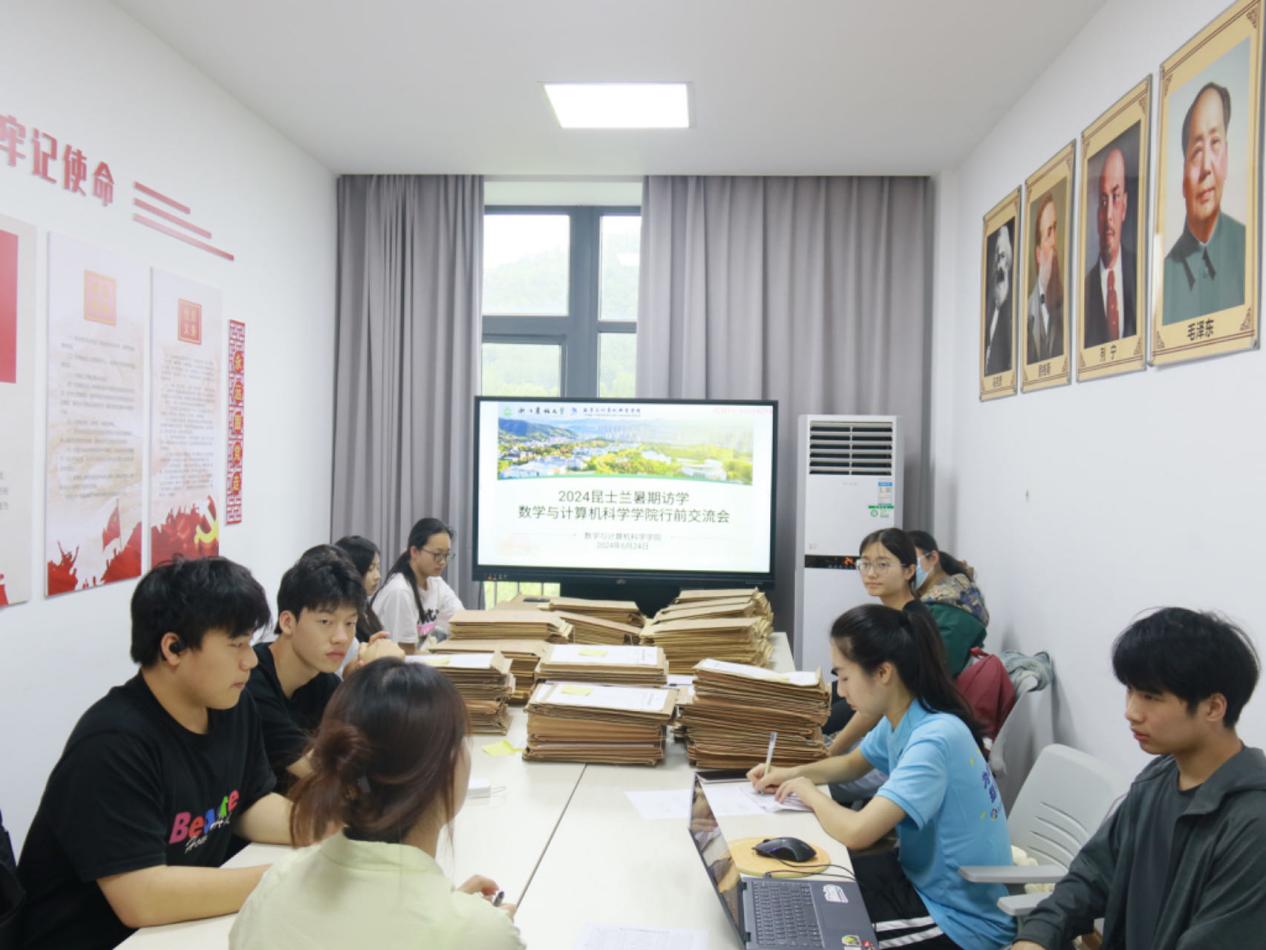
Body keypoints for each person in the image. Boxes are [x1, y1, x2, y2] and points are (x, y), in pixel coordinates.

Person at [18, 558, 296, 949]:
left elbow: (249, 803)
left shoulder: (232, 706)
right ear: (173, 648)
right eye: (236, 644)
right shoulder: (112, 744)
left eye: (249, 643)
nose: (250, 660)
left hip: (179, 930)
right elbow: (143, 898)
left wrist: (327, 830)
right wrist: (285, 878)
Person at [750, 604, 1015, 949]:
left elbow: (858, 832)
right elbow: (852, 764)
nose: (841, 691)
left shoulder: (933, 740)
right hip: (916, 875)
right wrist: (790, 773)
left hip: (957, 917)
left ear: (883, 672)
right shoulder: (908, 714)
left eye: (845, 677)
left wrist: (808, 792)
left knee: (812, 934)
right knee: (802, 891)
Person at [1012, 608, 1266, 950]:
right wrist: (1037, 936)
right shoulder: (1159, 778)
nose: (1131, 712)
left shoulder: (1253, 823)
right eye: (1130, 691)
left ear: (1213, 708)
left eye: (1150, 697)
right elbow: (1092, 875)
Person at [229, 658, 524, 949]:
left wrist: (454, 915)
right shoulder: (480, 934)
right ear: (444, 769)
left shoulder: (275, 883)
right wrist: (474, 927)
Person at [247, 548, 403, 790]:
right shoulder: (251, 683)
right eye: (325, 622)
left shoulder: (323, 680)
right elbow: (322, 770)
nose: (342, 637)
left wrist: (356, 686)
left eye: (350, 623)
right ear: (287, 622)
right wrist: (372, 682)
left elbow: (366, 757)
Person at [1162, 82, 1246, 325]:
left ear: (1226, 157)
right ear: (1183, 176)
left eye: (1215, 143)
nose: (1206, 167)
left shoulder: (1249, 249)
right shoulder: (1165, 278)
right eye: (1197, 152)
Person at [373, 517, 464, 653]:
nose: (443, 562)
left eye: (446, 555)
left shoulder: (436, 583)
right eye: (437, 554)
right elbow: (405, 652)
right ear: (414, 552)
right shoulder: (401, 591)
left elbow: (461, 620)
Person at [1084, 147, 1138, 346]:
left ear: (1124, 206)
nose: (1108, 216)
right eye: (1103, 200)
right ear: (1097, 212)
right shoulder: (1084, 290)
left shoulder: (1141, 271)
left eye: (1115, 198)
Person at [909, 530, 990, 631]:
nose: (908, 570)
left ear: (933, 558)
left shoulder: (946, 607)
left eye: (912, 560)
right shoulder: (954, 592)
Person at [1026, 193, 1065, 363]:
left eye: (1055, 229)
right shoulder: (1027, 312)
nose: (1054, 241)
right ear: (1038, 254)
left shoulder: (1066, 307)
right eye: (1049, 233)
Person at [334, 534, 385, 642]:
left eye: (378, 568)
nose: (378, 576)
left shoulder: (364, 604)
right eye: (370, 569)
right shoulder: (342, 610)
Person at [984, 223, 1015, 376]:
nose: (998, 265)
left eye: (1002, 257)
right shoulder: (990, 306)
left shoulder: (1011, 311)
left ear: (1008, 262)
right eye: (997, 258)